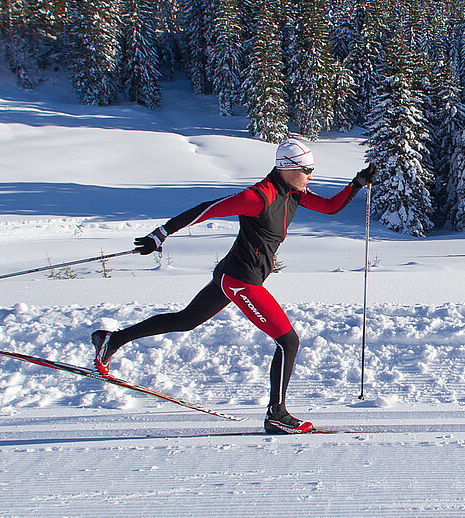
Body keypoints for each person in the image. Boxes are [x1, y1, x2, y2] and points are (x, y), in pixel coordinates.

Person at [91, 138, 375, 434]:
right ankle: (276, 415)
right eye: (307, 169)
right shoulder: (259, 197)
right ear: (288, 168)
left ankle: (112, 340)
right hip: (241, 281)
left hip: (233, 275)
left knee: (185, 320)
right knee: (288, 341)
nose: (311, 175)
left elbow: (329, 207)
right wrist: (161, 234)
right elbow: (208, 209)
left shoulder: (294, 192)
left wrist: (355, 183)